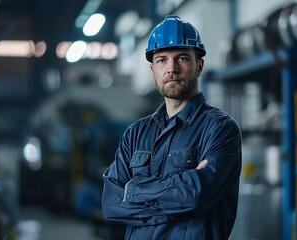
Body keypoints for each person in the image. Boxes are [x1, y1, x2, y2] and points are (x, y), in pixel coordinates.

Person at [101, 15, 242, 240]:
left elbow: (197, 195)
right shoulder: (135, 134)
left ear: (199, 66)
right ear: (152, 70)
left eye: (183, 58)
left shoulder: (220, 129)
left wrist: (133, 190)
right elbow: (110, 205)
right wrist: (179, 194)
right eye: (162, 60)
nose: (171, 69)